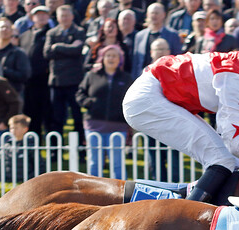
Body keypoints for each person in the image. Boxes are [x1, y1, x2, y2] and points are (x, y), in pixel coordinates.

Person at [123, 25, 239, 203]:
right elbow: (236, 143)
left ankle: (187, 200)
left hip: (157, 93)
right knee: (222, 160)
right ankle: (186, 217)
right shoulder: (238, 78)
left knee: (228, 162)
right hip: (147, 98)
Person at [76, 44, 131, 178]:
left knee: (117, 163)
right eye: (108, 55)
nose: (111, 58)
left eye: (114, 55)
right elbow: (80, 94)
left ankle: (120, 193)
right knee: (95, 162)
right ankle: (94, 195)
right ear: (102, 58)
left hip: (118, 125)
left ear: (120, 59)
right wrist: (88, 103)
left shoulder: (126, 78)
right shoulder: (91, 75)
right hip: (94, 125)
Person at [44, 5, 85, 136]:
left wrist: (58, 47)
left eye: (67, 15)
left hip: (74, 81)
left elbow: (77, 50)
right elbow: (47, 53)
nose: (65, 18)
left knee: (77, 117)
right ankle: (56, 152)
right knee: (57, 117)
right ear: (57, 18)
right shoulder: (51, 33)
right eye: (62, 16)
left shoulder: (79, 31)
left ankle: (81, 152)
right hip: (57, 82)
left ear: (72, 16)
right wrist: (68, 49)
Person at [19, 6, 51, 134]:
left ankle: (52, 151)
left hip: (46, 81)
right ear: (32, 17)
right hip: (28, 83)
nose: (41, 17)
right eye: (38, 15)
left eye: (44, 14)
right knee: (31, 116)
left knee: (48, 117)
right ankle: (33, 150)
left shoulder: (52, 33)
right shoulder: (25, 35)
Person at [131, 2, 182, 79]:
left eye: (157, 13)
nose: (154, 16)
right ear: (147, 15)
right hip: (144, 78)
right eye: (152, 13)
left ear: (164, 15)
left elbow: (178, 60)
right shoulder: (140, 36)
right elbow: (136, 62)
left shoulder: (173, 35)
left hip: (167, 79)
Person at [0, 113, 41, 182]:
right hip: (8, 182)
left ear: (25, 129)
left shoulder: (30, 146)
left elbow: (39, 167)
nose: (13, 130)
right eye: (11, 128)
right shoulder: (7, 146)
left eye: (16, 128)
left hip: (25, 183)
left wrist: (28, 181)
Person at [0, 17, 31, 96]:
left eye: (7, 27)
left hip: (13, 95)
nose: (5, 29)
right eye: (2, 27)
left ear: (12, 32)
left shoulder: (19, 53)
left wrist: (3, 71)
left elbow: (25, 75)